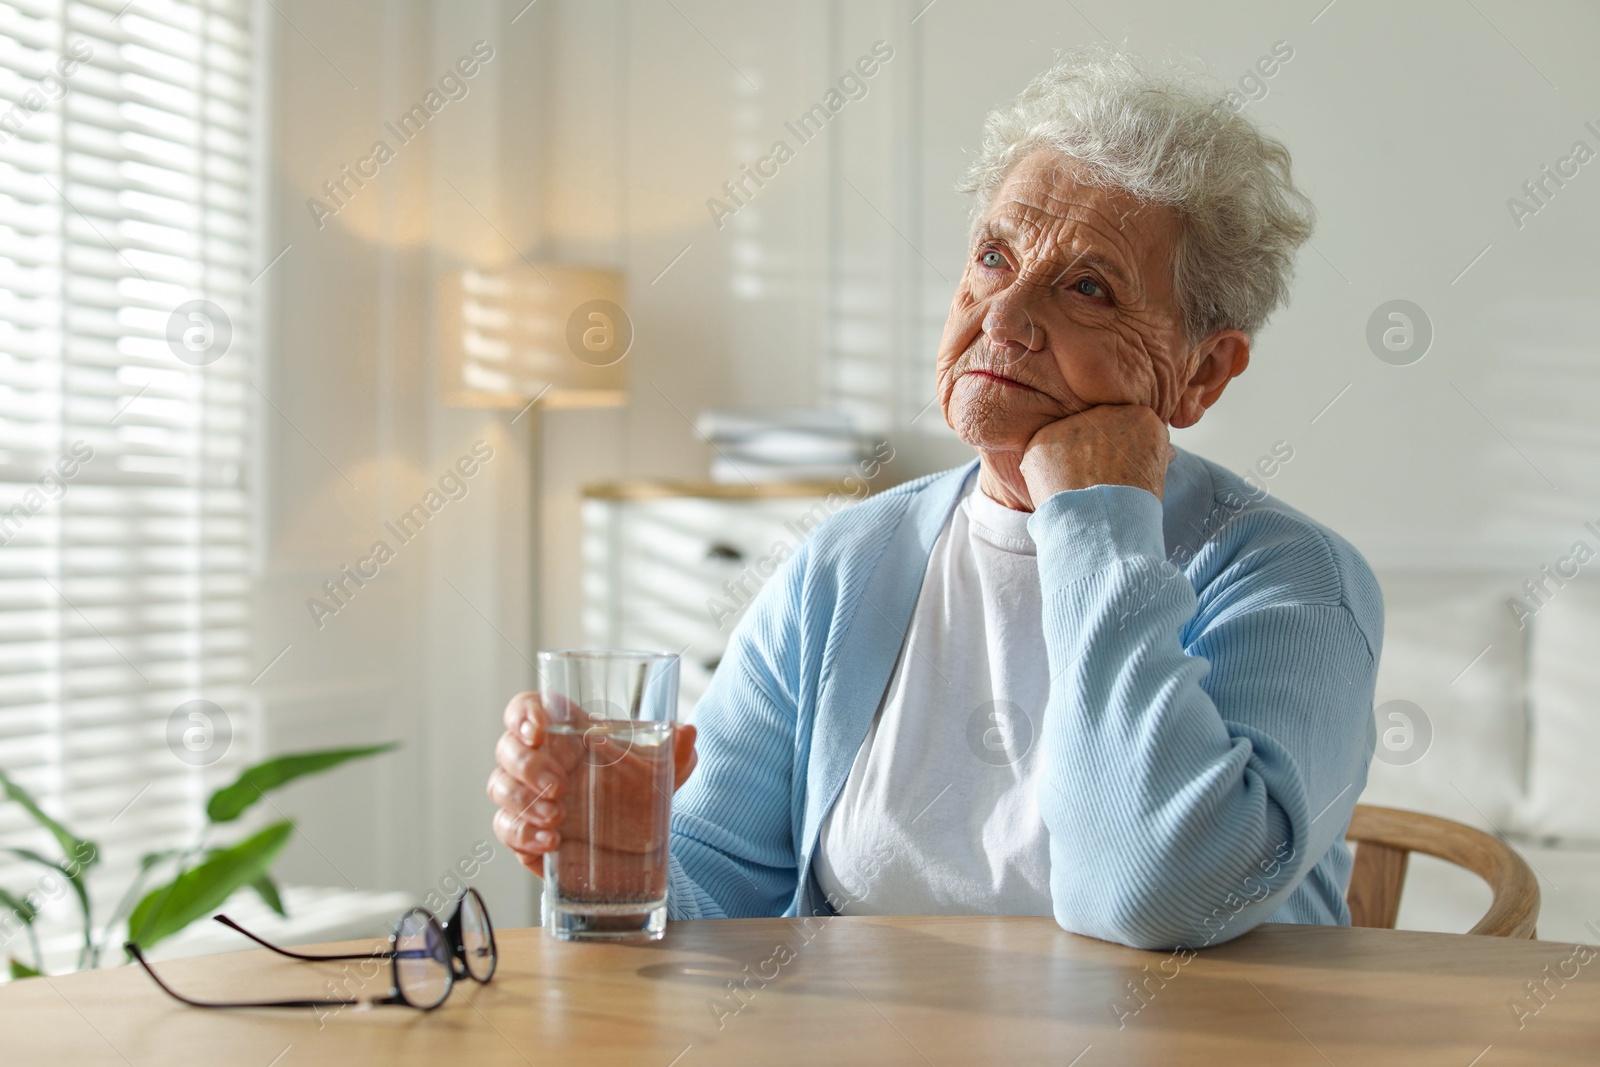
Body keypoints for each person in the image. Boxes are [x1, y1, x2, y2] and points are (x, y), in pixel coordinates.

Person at [488, 45, 1382, 951]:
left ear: (1203, 371)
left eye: (1087, 287)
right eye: (995, 256)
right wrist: (618, 858)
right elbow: (722, 892)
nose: (1002, 317)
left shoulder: (1291, 579)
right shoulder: (847, 565)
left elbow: (1157, 893)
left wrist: (1099, 522)